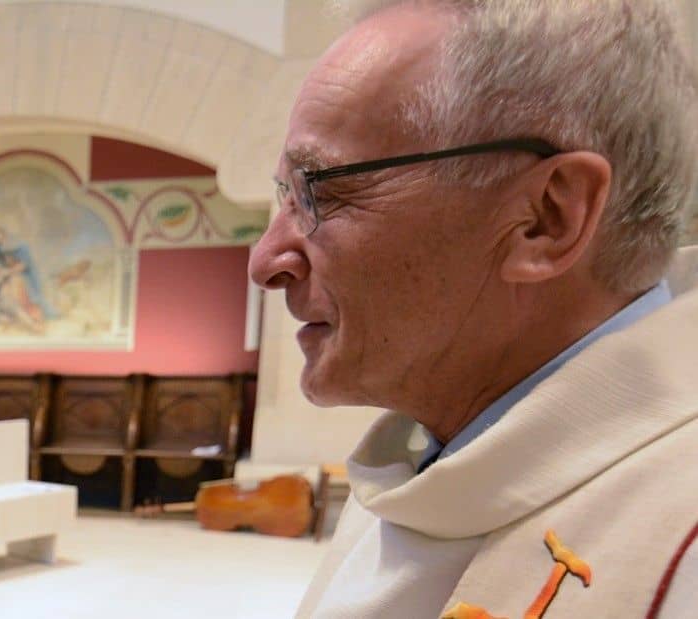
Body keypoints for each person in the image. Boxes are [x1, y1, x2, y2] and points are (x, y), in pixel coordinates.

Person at [246, 2, 698, 618]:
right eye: (285, 194)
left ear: (545, 219)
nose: (266, 261)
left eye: (321, 189)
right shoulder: (424, 470)